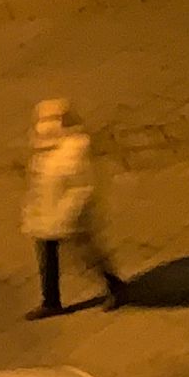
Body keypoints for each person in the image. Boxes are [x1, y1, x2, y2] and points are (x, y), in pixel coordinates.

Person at [21, 98, 125, 318]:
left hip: (72, 217)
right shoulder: (44, 144)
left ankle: (114, 285)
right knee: (47, 259)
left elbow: (81, 186)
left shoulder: (76, 147)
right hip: (47, 215)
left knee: (87, 255)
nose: (45, 126)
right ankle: (51, 301)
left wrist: (68, 215)